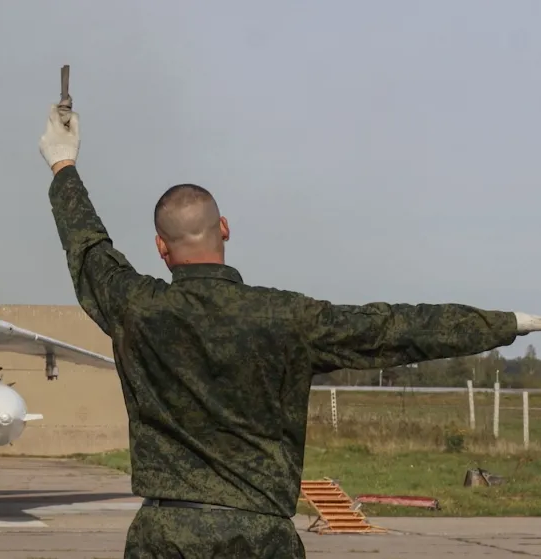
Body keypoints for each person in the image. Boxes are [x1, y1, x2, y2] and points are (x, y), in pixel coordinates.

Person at [37, 103, 541, 558]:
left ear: (161, 248)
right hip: (259, 537)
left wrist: (64, 164)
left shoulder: (134, 307)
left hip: (164, 534)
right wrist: (513, 323)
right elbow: (397, 328)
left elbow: (87, 248)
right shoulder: (287, 319)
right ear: (225, 229)